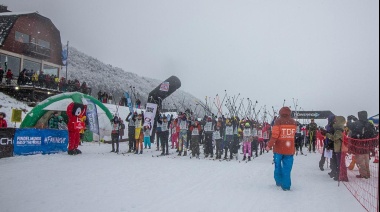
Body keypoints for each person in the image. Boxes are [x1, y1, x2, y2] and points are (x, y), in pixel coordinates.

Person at [266, 107, 296, 191]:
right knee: (287, 168)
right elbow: (293, 135)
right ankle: (286, 185)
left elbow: (275, 135)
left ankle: (278, 181)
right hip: (289, 149)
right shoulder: (293, 122)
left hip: (278, 149)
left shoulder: (278, 121)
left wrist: (269, 145)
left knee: (278, 166)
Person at [347, 111, 378, 179]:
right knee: (366, 158)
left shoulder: (356, 124)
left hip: (358, 144)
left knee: (360, 160)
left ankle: (364, 174)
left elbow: (350, 125)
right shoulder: (369, 123)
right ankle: (367, 173)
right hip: (367, 144)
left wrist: (349, 119)